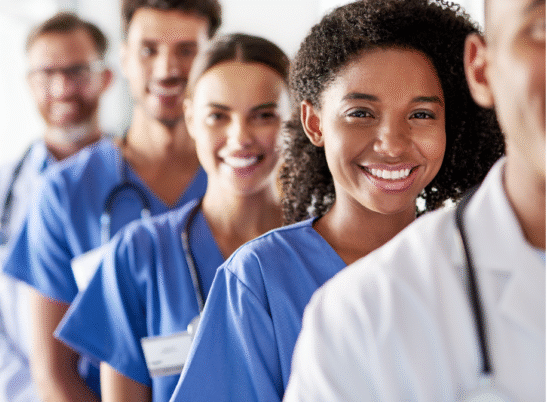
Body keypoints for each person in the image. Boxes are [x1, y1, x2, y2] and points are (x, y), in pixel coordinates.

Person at [171, 1, 505, 401]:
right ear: (314, 123)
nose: (393, 145)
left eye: (421, 115)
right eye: (361, 112)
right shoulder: (258, 279)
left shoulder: (478, 265)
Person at [284, 0, 545, 400]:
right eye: (542, 26)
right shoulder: (363, 317)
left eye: (421, 114)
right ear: (482, 68)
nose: (391, 145)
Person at [2, 0, 222, 400]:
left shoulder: (243, 181)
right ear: (121, 59)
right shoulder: (66, 193)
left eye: (187, 50)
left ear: (213, 57)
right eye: (148, 50)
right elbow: (54, 373)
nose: (168, 69)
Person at [56, 33, 290, 402]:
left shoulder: (321, 249)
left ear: (297, 121)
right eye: (218, 115)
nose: (240, 136)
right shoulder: (137, 255)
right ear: (191, 118)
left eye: (264, 115)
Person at [0, 12, 112, 402]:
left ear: (106, 77)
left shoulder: (139, 183)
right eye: (47, 74)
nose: (63, 88)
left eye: (78, 71)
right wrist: (45, 394)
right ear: (29, 85)